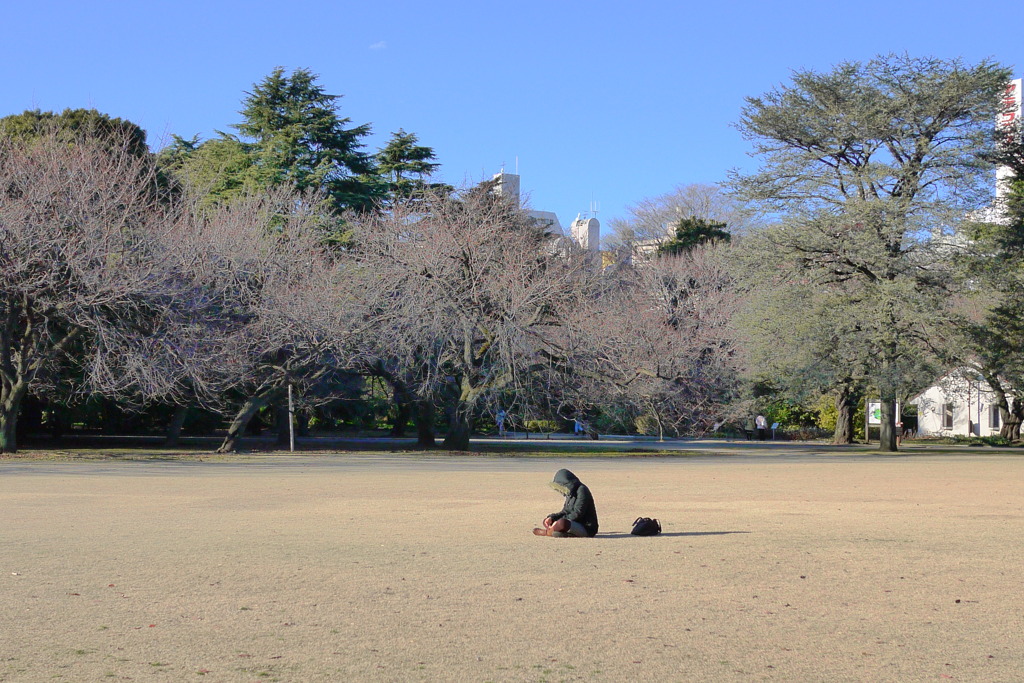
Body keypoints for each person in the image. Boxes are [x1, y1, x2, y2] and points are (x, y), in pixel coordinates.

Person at [533, 469, 599, 537]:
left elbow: (577, 513)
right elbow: (565, 511)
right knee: (548, 521)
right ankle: (558, 532)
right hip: (573, 523)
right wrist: (551, 518)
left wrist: (558, 521)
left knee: (562, 523)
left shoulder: (582, 490)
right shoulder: (570, 492)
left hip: (586, 527)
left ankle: (547, 532)